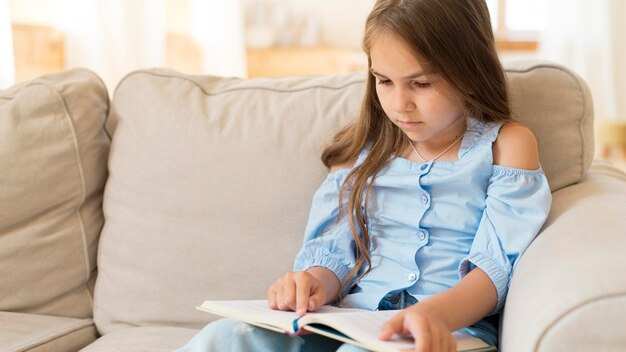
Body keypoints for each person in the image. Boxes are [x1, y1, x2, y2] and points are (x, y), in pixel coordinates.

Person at [177, 0, 552, 351]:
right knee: (225, 338)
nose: (399, 104)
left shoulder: (505, 145)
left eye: (421, 84)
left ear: (470, 71)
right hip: (353, 320)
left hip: (449, 331)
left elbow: (497, 266)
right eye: (384, 81)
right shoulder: (361, 154)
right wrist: (312, 284)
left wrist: (435, 313)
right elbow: (337, 252)